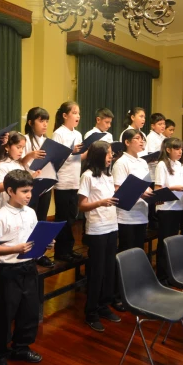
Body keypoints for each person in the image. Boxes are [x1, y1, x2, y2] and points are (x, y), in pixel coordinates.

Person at [0, 169, 44, 365]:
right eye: (24, 191)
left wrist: (45, 244)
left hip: (29, 268)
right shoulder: (1, 216)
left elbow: (33, 240)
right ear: (10, 191)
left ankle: (21, 347)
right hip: (9, 271)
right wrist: (16, 249)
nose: (29, 195)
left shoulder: (30, 212)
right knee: (5, 314)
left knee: (29, 311)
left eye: (30, 190)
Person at [78, 140, 121, 331]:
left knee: (109, 268)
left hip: (112, 225)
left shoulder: (108, 174)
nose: (111, 156)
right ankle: (91, 312)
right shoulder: (87, 176)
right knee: (97, 271)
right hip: (97, 228)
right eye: (108, 153)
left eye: (111, 153)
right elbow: (82, 205)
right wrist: (100, 203)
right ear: (98, 155)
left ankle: (104, 305)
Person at [111, 129, 153, 310]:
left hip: (141, 213)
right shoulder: (121, 162)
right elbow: (118, 189)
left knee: (137, 253)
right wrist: (142, 193)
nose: (142, 142)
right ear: (127, 142)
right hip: (126, 215)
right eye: (137, 139)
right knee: (125, 254)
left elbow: (147, 186)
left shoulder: (143, 162)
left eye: (143, 139)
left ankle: (135, 290)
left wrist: (150, 193)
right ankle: (119, 294)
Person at [52, 101, 86, 263]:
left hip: (74, 181)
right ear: (65, 115)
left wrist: (92, 151)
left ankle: (69, 248)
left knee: (72, 218)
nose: (78, 116)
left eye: (79, 113)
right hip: (63, 181)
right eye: (74, 112)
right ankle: (61, 251)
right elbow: (57, 157)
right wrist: (71, 151)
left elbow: (78, 157)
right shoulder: (59, 133)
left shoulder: (78, 134)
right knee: (62, 218)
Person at [21, 106, 54, 268]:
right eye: (41, 121)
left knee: (41, 220)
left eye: (47, 121)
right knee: (29, 221)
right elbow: (18, 163)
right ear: (30, 122)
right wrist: (30, 155)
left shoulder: (48, 141)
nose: (45, 124)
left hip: (46, 186)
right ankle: (27, 253)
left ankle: (39, 253)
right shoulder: (25, 139)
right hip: (29, 187)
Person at [154, 137, 183, 281]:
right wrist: (174, 188)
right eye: (177, 149)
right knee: (164, 243)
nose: (180, 151)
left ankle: (171, 273)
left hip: (178, 206)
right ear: (168, 150)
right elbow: (158, 189)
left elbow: (182, 185)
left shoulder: (179, 165)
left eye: (181, 149)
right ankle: (162, 276)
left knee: (173, 242)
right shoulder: (162, 165)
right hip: (166, 208)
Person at [0, 131, 28, 211]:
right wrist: (13, 182)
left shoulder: (19, 164)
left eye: (23, 148)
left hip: (21, 206)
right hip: (7, 207)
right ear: (7, 147)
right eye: (18, 147)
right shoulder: (2, 165)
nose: (21, 151)